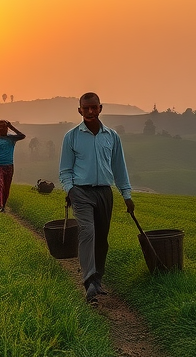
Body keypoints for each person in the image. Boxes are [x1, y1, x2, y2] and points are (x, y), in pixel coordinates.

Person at [59, 92, 133, 304]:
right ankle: (88, 281)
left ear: (101, 108)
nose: (90, 111)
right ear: (79, 110)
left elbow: (120, 168)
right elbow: (65, 170)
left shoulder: (111, 136)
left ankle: (97, 279)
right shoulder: (71, 137)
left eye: (94, 107)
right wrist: (70, 190)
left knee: (102, 238)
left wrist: (126, 195)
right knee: (87, 232)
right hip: (80, 192)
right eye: (86, 108)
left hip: (104, 192)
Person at [0, 120, 25, 212]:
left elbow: (22, 136)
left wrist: (11, 126)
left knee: (6, 187)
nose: (2, 129)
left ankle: (3, 205)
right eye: (0, 128)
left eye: (4, 127)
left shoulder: (12, 139)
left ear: (7, 129)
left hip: (9, 166)